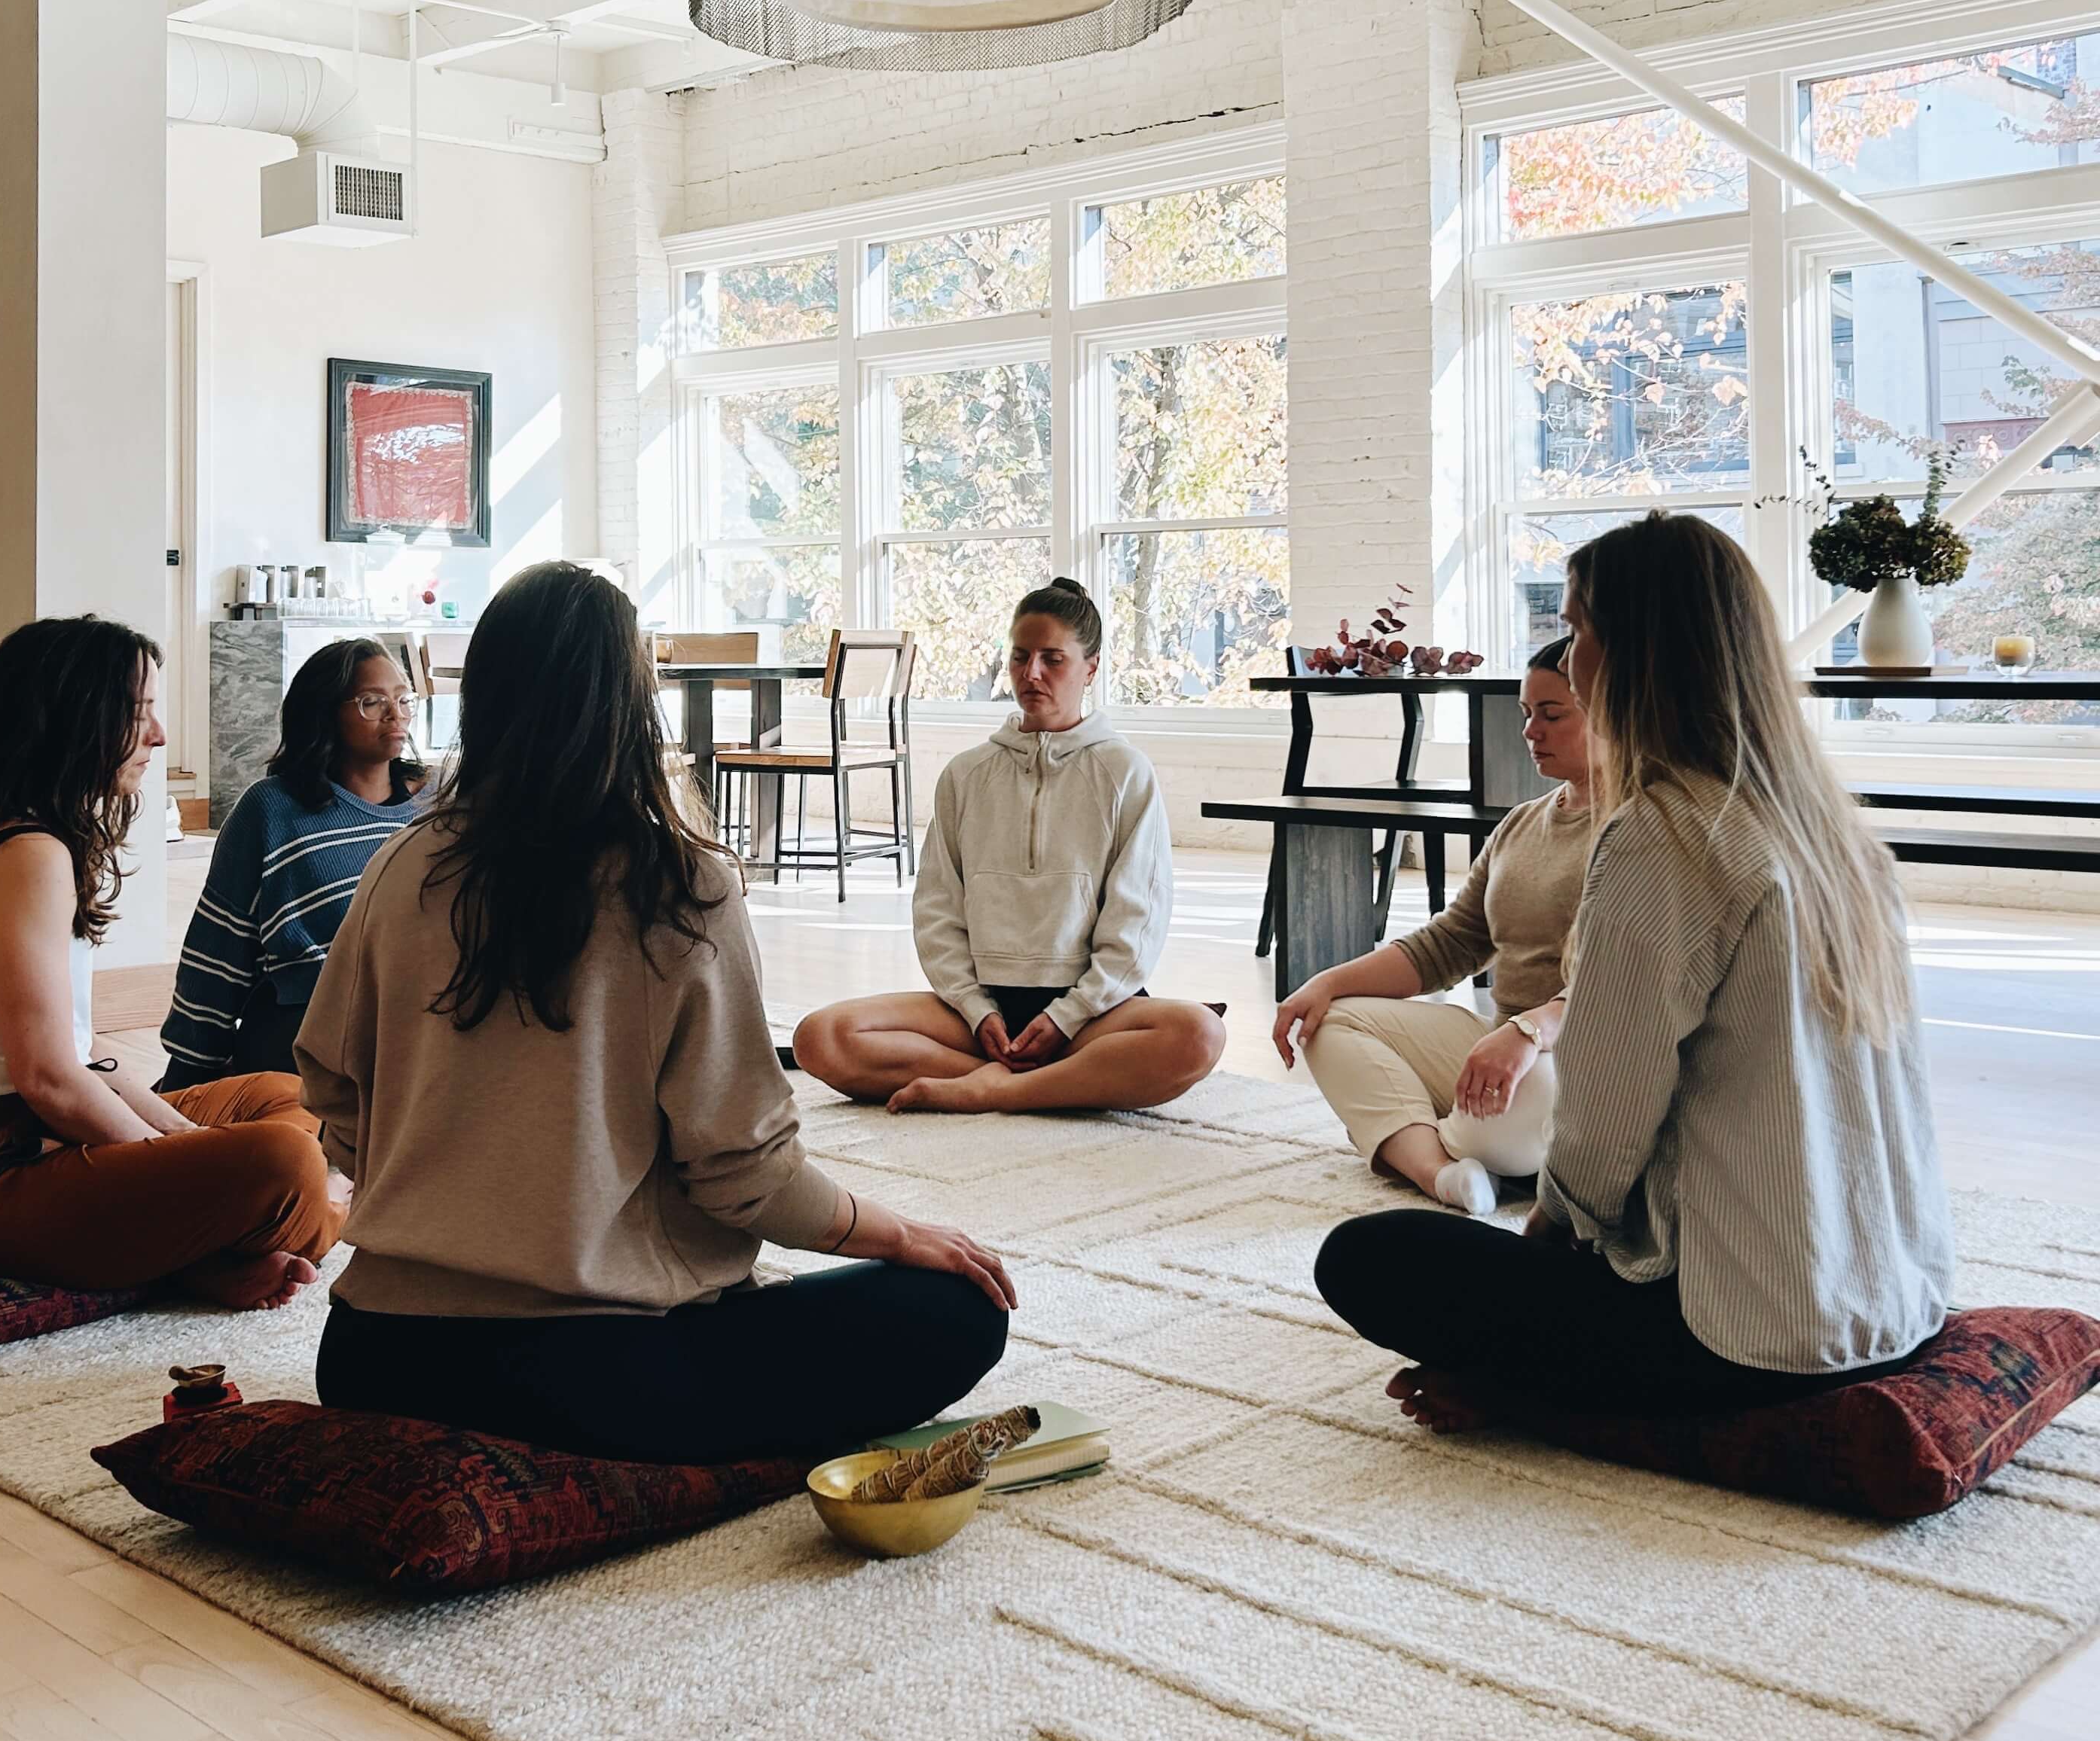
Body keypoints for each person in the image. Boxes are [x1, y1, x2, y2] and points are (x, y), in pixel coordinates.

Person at [301, 562, 1015, 1465]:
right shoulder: (677, 886)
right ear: (632, 704)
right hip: (589, 1377)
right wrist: (905, 1234)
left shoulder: (401, 866)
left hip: (375, 1361)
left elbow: (331, 1084)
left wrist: (447, 1196)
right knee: (956, 1308)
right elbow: (745, 1177)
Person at [1314, 514, 1952, 1427]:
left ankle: (1559, 1399)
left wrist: (1538, 1257)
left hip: (1751, 1338)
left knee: (1368, 1259)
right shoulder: (1834, 834)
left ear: (1636, 655)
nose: (1567, 660)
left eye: (1577, 631)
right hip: (1897, 1302)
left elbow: (1607, 1120)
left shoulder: (1665, 835)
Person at [0, 617, 336, 1307]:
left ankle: (201, 1252)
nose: (159, 735)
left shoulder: (21, 836)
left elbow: (78, 1064)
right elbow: (50, 1081)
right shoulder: (26, 854)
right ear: (73, 718)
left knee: (283, 1097)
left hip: (31, 1146)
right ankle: (310, 1217)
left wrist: (184, 1139)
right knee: (287, 1160)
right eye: (139, 711)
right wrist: (173, 1161)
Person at [792, 579, 1226, 1115]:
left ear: (1090, 669)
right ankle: (1048, 1085)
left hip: (1089, 1015)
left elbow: (1138, 920)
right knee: (822, 1037)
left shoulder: (1124, 772)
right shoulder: (966, 774)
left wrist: (1070, 1014)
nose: (1032, 674)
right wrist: (977, 1010)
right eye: (1020, 657)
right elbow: (936, 910)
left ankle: (994, 1090)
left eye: (1053, 659)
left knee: (1199, 1034)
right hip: (980, 1017)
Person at [1272, 641, 1593, 1217]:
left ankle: (1418, 1130)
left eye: (1552, 715)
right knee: (1331, 1020)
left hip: (1576, 1063)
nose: (1530, 731)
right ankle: (1441, 1172)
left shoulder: (1648, 832)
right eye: (1525, 714)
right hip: (1497, 1049)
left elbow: (1631, 986)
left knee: (1530, 1100)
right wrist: (1326, 982)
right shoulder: (1522, 824)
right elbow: (1449, 943)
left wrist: (1528, 1033)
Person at [159, 638, 429, 1089]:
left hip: (419, 1029)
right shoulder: (271, 810)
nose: (395, 714)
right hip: (307, 1032)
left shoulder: (436, 806)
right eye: (371, 702)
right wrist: (189, 1078)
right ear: (325, 713)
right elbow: (219, 947)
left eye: (403, 699)